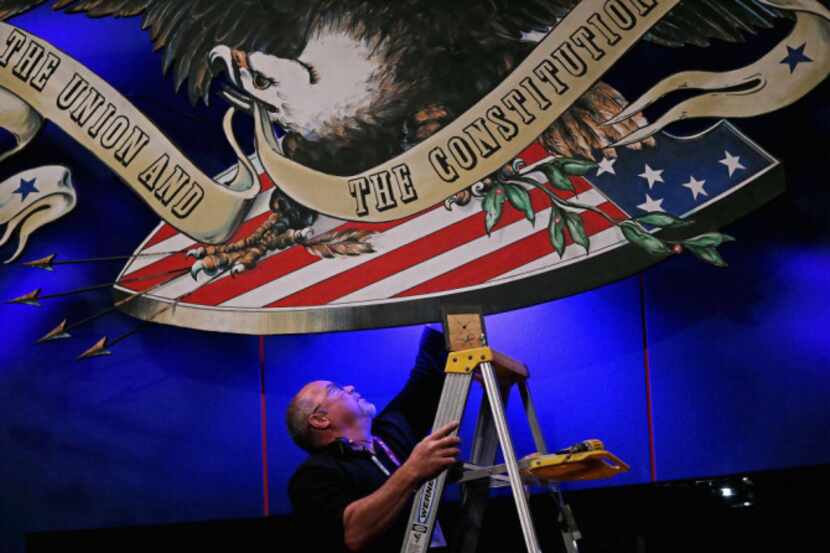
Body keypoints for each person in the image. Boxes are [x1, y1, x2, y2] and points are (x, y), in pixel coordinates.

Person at [286, 326, 459, 552]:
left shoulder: (390, 430)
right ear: (320, 419)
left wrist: (440, 316)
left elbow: (426, 376)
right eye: (335, 389)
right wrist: (412, 471)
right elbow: (354, 534)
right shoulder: (312, 476)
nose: (349, 387)